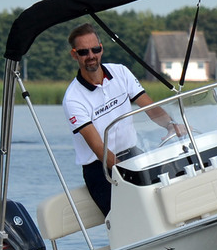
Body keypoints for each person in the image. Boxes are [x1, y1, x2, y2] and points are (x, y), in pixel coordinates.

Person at [62, 24, 180, 216]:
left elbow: (151, 109)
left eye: (95, 49)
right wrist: (127, 173)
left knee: (166, 205)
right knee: (128, 219)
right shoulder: (73, 98)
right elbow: (98, 147)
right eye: (84, 52)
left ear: (102, 48)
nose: (91, 56)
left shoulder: (121, 73)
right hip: (100, 169)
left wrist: (172, 125)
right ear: (74, 55)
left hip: (133, 155)